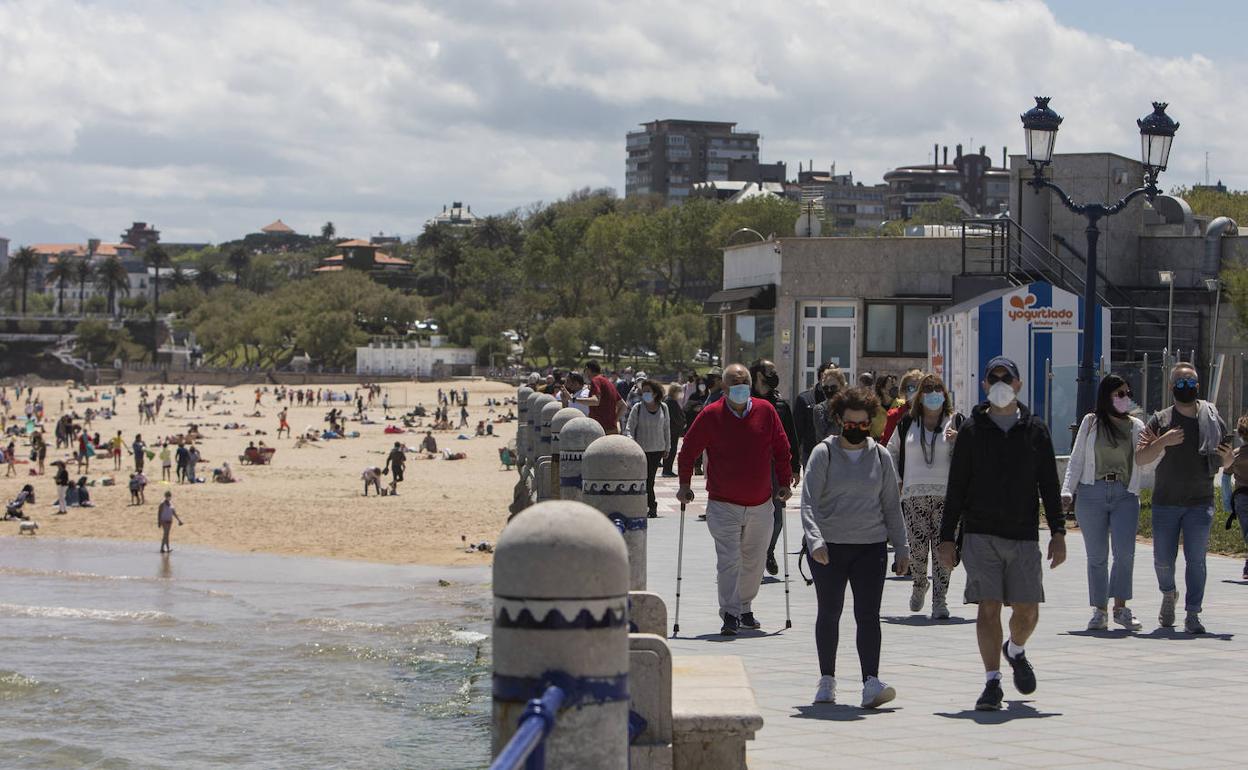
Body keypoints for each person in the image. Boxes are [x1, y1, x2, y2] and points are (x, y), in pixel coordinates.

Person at [938, 356, 1064, 712]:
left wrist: (1058, 531)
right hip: (981, 534)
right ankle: (992, 681)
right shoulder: (972, 430)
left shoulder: (1035, 429)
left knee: (1027, 612)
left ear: (1019, 384)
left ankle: (1016, 649)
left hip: (1024, 534)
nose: (999, 382)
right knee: (988, 608)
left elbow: (1049, 485)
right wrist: (947, 538)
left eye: (1006, 377)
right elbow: (957, 486)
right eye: (993, 377)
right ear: (984, 386)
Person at [802, 387, 909, 708]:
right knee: (829, 612)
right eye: (851, 422)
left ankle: (871, 682)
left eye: (864, 424)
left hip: (870, 547)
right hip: (829, 548)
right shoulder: (824, 453)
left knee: (868, 615)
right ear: (839, 420)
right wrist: (815, 540)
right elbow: (808, 503)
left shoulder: (880, 455)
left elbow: (892, 504)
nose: (857, 429)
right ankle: (827, 680)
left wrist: (902, 547)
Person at [677, 363, 793, 636]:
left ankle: (744, 606)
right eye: (733, 384)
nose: (739, 388)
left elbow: (782, 448)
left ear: (749, 386)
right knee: (729, 559)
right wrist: (684, 484)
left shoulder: (766, 411)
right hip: (722, 503)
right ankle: (730, 613)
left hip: (760, 502)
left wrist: (785, 482)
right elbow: (688, 452)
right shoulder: (710, 415)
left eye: (744, 383)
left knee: (754, 560)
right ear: (725, 389)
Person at [1135, 362, 1231, 634]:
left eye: (1190, 384)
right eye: (1180, 383)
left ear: (1197, 387)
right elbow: (1141, 458)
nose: (1185, 387)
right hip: (1165, 502)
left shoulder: (1212, 418)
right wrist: (1162, 441)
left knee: (1196, 559)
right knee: (1163, 560)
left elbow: (1226, 459)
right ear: (1171, 386)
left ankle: (1192, 613)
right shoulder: (1160, 420)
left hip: (1199, 502)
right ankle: (1168, 593)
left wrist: (1227, 459)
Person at [1062, 374, 1150, 631]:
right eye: (1119, 394)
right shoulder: (1091, 422)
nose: (1125, 398)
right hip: (1092, 493)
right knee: (1097, 556)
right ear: (1107, 396)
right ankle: (1099, 610)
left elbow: (1146, 459)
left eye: (1127, 393)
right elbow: (1076, 460)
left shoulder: (1136, 426)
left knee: (1124, 553)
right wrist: (1067, 491)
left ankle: (1121, 608)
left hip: (1125, 493)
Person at [887, 373, 960, 619]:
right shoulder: (908, 423)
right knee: (917, 550)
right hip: (913, 496)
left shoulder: (955, 421)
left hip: (946, 497)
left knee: (943, 550)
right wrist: (897, 480)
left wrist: (958, 442)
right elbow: (891, 451)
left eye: (937, 390)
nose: (932, 395)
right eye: (927, 390)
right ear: (920, 396)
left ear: (944, 394)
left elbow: (972, 453)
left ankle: (940, 600)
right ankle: (919, 585)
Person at [749, 359, 801, 577]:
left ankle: (768, 551)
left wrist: (795, 467)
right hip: (751, 468)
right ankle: (754, 556)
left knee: (777, 518)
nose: (774, 374)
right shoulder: (746, 402)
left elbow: (791, 437)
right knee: (752, 517)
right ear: (759, 374)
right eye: (770, 371)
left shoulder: (780, 404)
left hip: (776, 468)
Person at [623, 379, 670, 518]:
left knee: (650, 480)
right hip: (640, 450)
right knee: (642, 479)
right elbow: (629, 427)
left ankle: (651, 506)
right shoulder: (638, 408)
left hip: (657, 449)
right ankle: (646, 505)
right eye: (643, 392)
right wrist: (630, 440)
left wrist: (667, 447)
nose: (645, 394)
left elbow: (666, 429)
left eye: (648, 391)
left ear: (656, 393)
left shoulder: (663, 408)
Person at [794, 362, 833, 467]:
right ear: (820, 377)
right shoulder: (804, 399)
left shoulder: (844, 402)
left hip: (836, 456)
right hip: (811, 454)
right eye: (827, 375)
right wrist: (794, 463)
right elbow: (797, 433)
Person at [578, 360, 622, 435]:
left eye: (585, 370)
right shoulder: (609, 383)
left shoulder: (595, 380)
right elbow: (623, 405)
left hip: (599, 430)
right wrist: (615, 420)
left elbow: (595, 401)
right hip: (612, 430)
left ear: (588, 369)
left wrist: (574, 399)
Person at [811, 366, 849, 444]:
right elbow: (825, 438)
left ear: (842, 387)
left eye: (833, 387)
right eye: (825, 388)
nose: (829, 390)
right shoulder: (819, 409)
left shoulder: (850, 407)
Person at [661, 383, 686, 478]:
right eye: (679, 391)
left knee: (669, 449)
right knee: (671, 450)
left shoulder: (667, 400)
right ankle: (667, 470)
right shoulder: (671, 402)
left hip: (671, 429)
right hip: (672, 430)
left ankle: (667, 469)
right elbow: (676, 417)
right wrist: (682, 423)